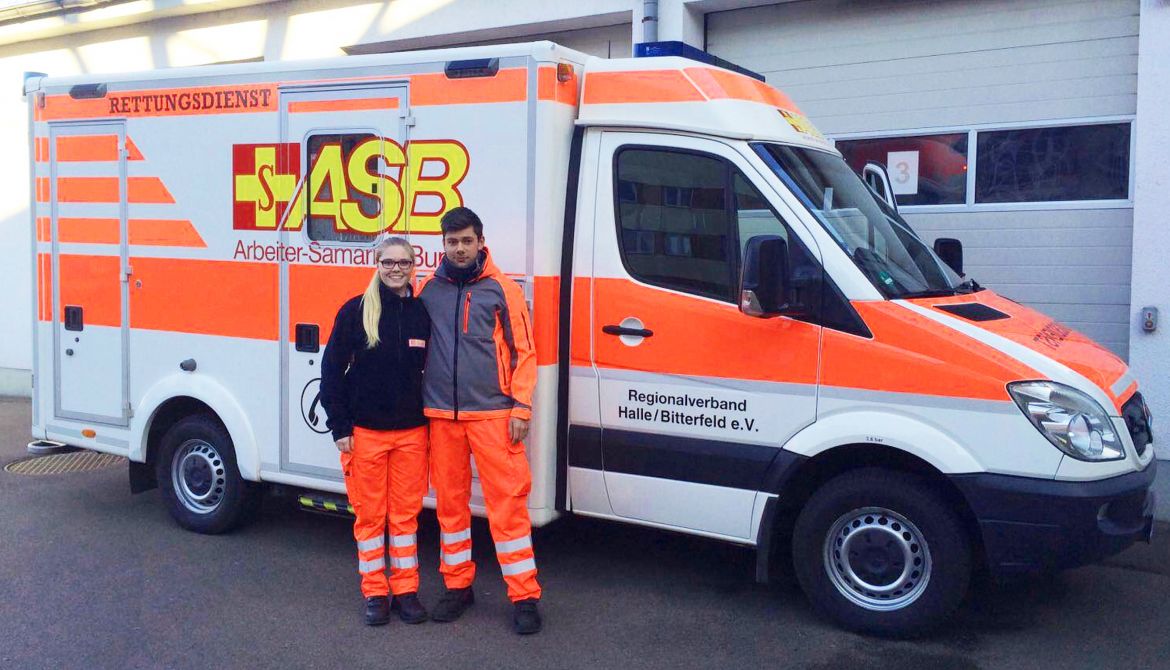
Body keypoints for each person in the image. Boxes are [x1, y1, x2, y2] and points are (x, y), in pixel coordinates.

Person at [417, 207, 543, 635]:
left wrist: (521, 408)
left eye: (466, 240)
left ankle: (524, 595)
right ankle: (457, 586)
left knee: (507, 508)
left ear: (480, 241)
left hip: (493, 415)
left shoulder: (500, 289)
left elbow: (526, 352)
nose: (458, 248)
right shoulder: (428, 290)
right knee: (450, 507)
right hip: (441, 416)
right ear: (443, 244)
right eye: (451, 242)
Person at [319, 237, 432, 627]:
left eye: (403, 262)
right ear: (376, 263)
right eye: (388, 262)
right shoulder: (355, 311)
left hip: (412, 434)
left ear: (414, 265)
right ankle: (375, 592)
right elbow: (331, 371)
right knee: (370, 518)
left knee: (404, 518)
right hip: (365, 432)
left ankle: (405, 591)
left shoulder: (421, 313)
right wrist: (340, 426)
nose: (396, 268)